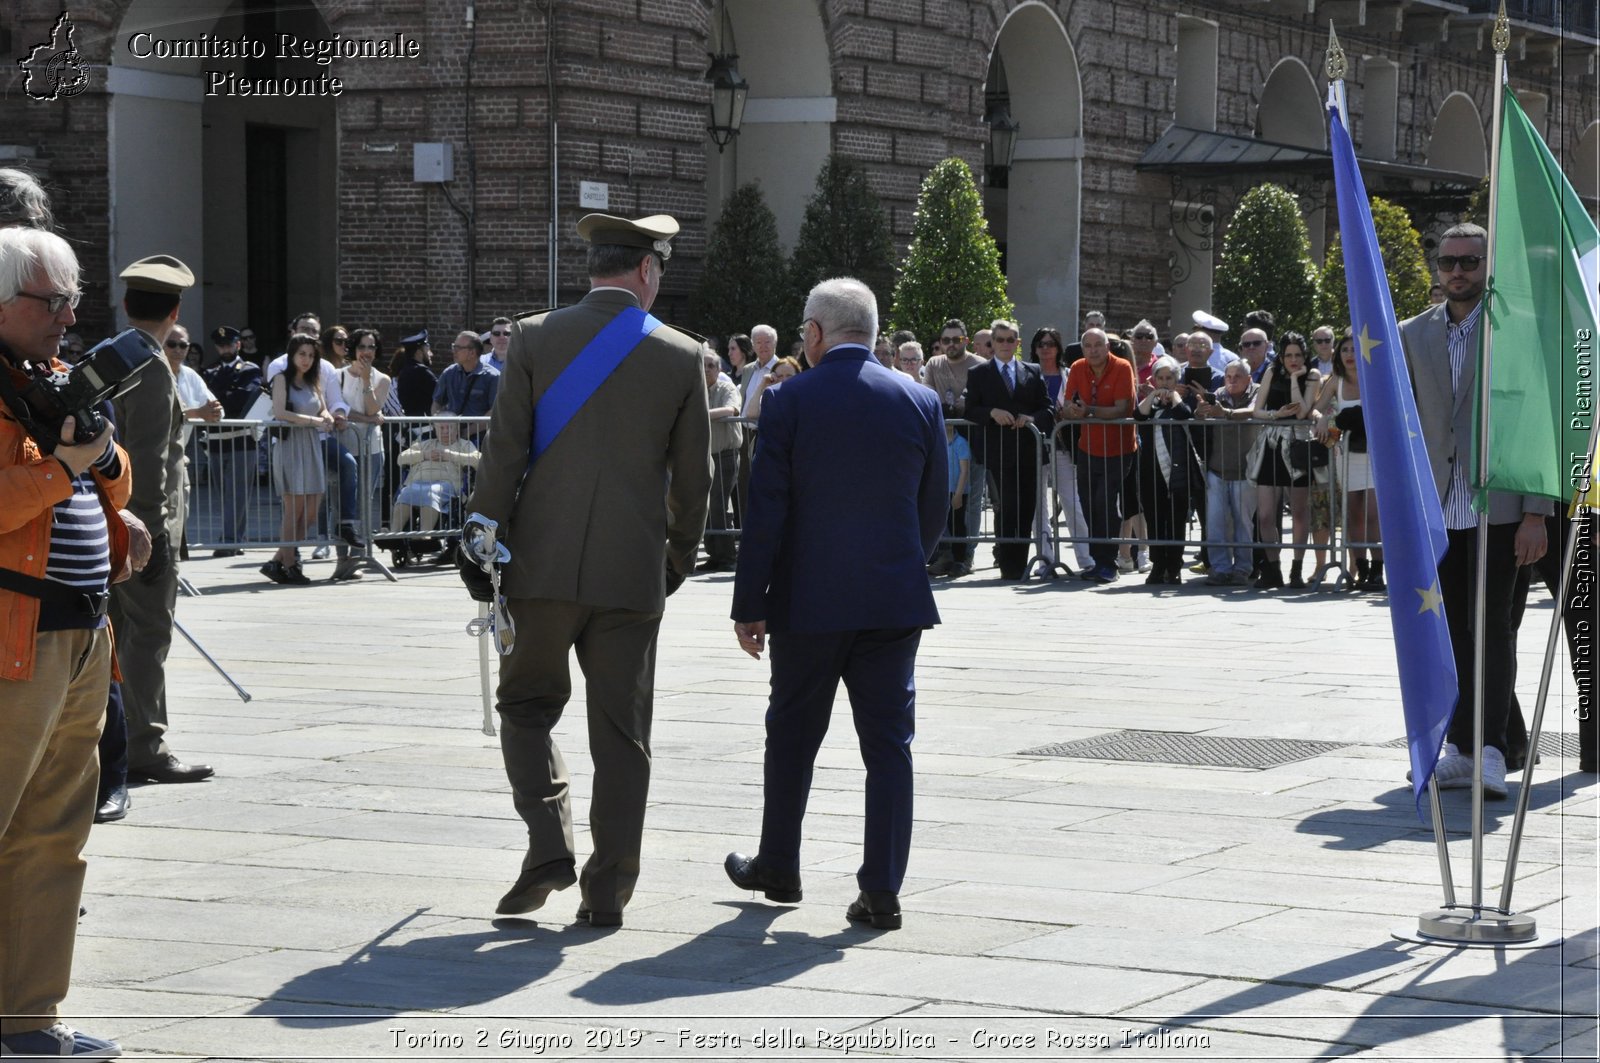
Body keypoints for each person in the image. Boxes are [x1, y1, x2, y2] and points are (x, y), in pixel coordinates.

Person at [465, 211, 710, 927]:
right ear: (644, 272)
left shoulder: (536, 337)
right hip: (631, 575)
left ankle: (547, 844)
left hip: (538, 567)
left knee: (525, 709)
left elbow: (503, 452)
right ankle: (607, 890)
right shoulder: (679, 354)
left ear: (594, 269)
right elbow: (693, 482)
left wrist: (483, 543)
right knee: (623, 736)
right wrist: (674, 559)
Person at [725, 276, 946, 932]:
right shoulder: (920, 399)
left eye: (803, 330)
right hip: (893, 599)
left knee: (791, 734)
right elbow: (931, 511)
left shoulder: (789, 400)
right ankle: (881, 890)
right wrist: (901, 565)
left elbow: (765, 510)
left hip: (808, 601)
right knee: (889, 747)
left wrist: (749, 601)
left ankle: (780, 863)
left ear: (817, 333)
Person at [0, 225, 129, 1059]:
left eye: (74, 300)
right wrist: (64, 468)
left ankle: (27, 1021)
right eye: (52, 302)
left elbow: (117, 474)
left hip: (81, 631)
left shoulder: (50, 381)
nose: (67, 316)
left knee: (54, 833)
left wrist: (101, 464)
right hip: (16, 634)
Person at [1398, 222, 1551, 797]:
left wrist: (1536, 513)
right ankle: (1458, 747)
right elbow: (1404, 424)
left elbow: (1538, 424)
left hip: (1502, 509)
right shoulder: (1412, 335)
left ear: (1489, 264)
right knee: (1451, 635)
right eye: (1447, 262)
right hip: (1438, 510)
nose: (1457, 271)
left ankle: (1491, 749)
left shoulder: (1516, 328)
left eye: (1469, 261)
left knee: (1493, 633)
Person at [109, 254, 216, 787]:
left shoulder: (116, 354)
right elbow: (148, 459)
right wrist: (146, 536)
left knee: (118, 635)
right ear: (174, 311)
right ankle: (145, 745)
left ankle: (113, 740)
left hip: (109, 521)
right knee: (147, 634)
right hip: (142, 527)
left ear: (128, 304)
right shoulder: (150, 366)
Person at [963, 319, 1052, 581]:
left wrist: (1031, 418)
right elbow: (970, 410)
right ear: (992, 344)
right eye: (999, 340)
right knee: (1006, 507)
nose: (1004, 344)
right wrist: (992, 412)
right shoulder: (980, 373)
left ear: (1018, 343)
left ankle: (1019, 565)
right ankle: (1007, 565)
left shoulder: (1032, 371)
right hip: (997, 451)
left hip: (1027, 450)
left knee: (1026, 508)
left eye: (1009, 339)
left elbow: (1047, 408)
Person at [1060, 327, 1138, 584]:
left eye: (1098, 345)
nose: (1093, 350)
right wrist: (1074, 411)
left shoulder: (1123, 366)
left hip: (1118, 448)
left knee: (1105, 502)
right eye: (1088, 346)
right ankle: (1097, 560)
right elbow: (1069, 407)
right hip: (1087, 448)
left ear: (1107, 347)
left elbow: (1122, 408)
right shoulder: (1078, 367)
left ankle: (1110, 562)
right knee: (1088, 503)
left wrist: (1089, 411)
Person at [1246, 331, 1321, 589]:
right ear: (1280, 355)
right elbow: (1257, 410)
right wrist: (1275, 415)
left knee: (1300, 511)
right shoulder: (1270, 371)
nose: (1293, 360)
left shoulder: (1312, 375)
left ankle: (1297, 569)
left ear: (1305, 356)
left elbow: (1302, 412)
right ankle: (1272, 568)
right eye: (1288, 355)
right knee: (1266, 515)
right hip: (1272, 444)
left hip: (1298, 444)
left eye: (1298, 355)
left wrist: (1293, 381)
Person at [260, 333, 332, 585]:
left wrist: (328, 416)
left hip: (310, 445)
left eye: (311, 355)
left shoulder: (314, 381)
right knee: (294, 509)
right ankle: (289, 563)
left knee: (311, 511)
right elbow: (281, 412)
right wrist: (315, 421)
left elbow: (321, 406)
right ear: (292, 355)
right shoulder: (281, 379)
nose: (307, 360)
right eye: (302, 354)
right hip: (290, 445)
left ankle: (277, 559)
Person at [1313, 331, 1382, 591]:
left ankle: (1378, 569)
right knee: (1353, 514)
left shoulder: (1373, 377)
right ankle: (1360, 568)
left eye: (1355, 349)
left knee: (1374, 514)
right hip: (1347, 453)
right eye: (1345, 350)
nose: (1350, 355)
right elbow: (1317, 407)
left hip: (1374, 455)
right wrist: (1322, 417)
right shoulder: (1336, 380)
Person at [1133, 356, 1203, 585]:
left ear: (1176, 380)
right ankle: (1158, 564)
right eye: (1160, 378)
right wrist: (1152, 395)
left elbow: (1185, 414)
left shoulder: (1183, 402)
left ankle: (1174, 566)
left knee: (1175, 518)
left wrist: (1173, 397)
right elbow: (1139, 416)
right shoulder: (1151, 403)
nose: (1164, 382)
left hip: (1177, 470)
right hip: (1151, 470)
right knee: (1155, 517)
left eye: (1169, 378)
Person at [1195, 360, 1260, 585]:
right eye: (1228, 376)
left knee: (1244, 523)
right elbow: (1200, 419)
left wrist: (1228, 413)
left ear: (1249, 379)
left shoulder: (1258, 391)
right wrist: (1200, 411)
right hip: (1217, 469)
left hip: (1246, 471)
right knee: (1215, 523)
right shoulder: (1218, 394)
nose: (1231, 380)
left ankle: (1242, 569)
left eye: (1237, 376)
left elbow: (1254, 411)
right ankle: (1220, 568)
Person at [201, 326, 263, 556]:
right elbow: (207, 398)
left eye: (230, 343)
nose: (225, 348)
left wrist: (222, 397)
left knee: (236, 493)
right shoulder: (210, 371)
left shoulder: (249, 369)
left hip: (241, 440)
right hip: (217, 440)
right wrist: (225, 395)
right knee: (223, 494)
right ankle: (237, 537)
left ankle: (228, 540)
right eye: (221, 345)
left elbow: (243, 398)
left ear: (238, 344)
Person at [335, 328, 391, 579]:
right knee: (340, 501)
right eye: (361, 347)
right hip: (344, 444)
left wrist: (367, 380)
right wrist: (365, 417)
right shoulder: (337, 377)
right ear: (352, 350)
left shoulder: (382, 379)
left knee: (363, 503)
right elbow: (342, 411)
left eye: (371, 347)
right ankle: (341, 559)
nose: (366, 352)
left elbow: (373, 408)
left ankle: (358, 558)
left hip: (371, 448)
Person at [389, 419, 480, 564]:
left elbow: (478, 460)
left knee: (430, 492)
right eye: (441, 428)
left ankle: (424, 536)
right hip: (418, 482)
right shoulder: (425, 444)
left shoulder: (464, 444)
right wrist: (424, 455)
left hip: (447, 484)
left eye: (449, 428)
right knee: (406, 493)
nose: (445, 431)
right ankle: (394, 536)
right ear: (435, 429)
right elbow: (401, 458)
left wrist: (451, 455)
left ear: (457, 429)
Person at [700, 346, 742, 572]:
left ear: (719, 368)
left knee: (719, 503)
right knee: (706, 505)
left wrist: (702, 415)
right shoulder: (695, 389)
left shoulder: (726, 387)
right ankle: (714, 554)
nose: (707, 369)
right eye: (703, 364)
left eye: (712, 365)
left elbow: (732, 409)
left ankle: (726, 555)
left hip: (725, 454)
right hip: (703, 455)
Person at [432, 329, 500, 437]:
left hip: (479, 438)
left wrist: (467, 432)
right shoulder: (449, 373)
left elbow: (494, 412)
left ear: (472, 353)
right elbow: (437, 402)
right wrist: (440, 427)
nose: (454, 351)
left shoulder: (493, 377)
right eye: (454, 346)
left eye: (458, 348)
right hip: (450, 438)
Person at [390, 330, 438, 417]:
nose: (431, 354)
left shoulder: (404, 371)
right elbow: (441, 395)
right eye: (427, 349)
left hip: (413, 427)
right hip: (425, 427)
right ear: (419, 352)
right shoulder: (422, 372)